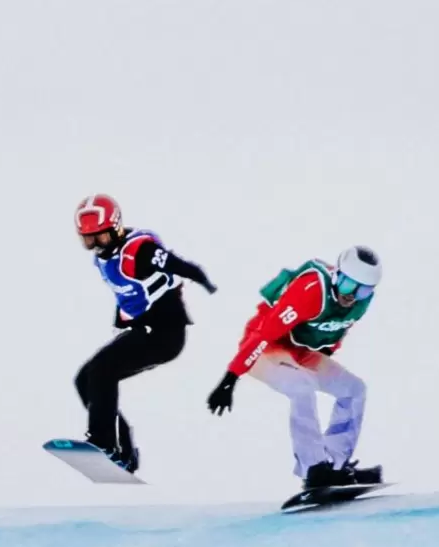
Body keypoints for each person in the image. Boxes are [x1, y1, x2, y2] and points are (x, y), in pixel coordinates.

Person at [206, 245, 383, 491]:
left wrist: (326, 355)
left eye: (362, 290)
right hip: (265, 348)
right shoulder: (310, 291)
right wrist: (230, 378)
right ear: (336, 275)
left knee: (354, 390)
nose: (351, 295)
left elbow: (338, 328)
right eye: (347, 285)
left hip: (301, 351)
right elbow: (264, 334)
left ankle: (336, 465)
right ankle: (314, 468)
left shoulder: (361, 303)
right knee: (302, 388)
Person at [73, 193, 217, 473]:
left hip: (165, 334)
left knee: (102, 371)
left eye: (100, 238)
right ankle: (124, 454)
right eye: (88, 240)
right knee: (85, 380)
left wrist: (206, 283)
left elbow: (182, 266)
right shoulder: (106, 258)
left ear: (116, 228)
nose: (95, 246)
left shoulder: (140, 251)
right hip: (144, 331)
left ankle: (103, 444)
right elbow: (128, 297)